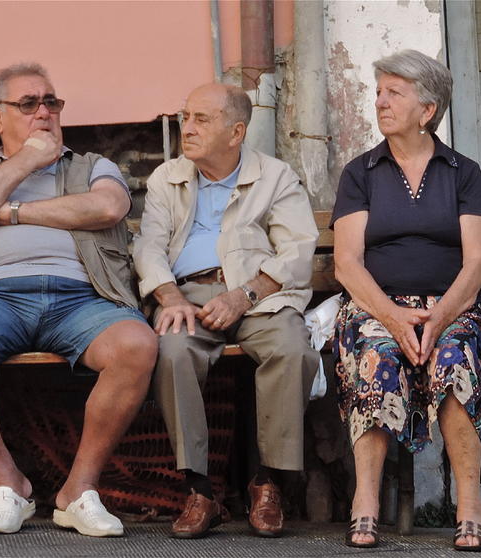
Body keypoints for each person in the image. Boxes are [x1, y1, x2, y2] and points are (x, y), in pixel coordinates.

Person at [0, 63, 157, 538]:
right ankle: (10, 483)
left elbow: (106, 207)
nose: (44, 112)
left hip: (83, 297)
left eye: (52, 102)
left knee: (137, 345)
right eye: (28, 104)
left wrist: (10, 213)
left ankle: (78, 491)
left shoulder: (92, 166)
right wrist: (27, 160)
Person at [133, 82, 319, 539]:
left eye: (201, 119)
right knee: (172, 352)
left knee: (293, 350)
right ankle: (199, 491)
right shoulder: (166, 178)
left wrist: (245, 296)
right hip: (189, 297)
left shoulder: (275, 177)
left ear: (236, 132)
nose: (187, 128)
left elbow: (297, 251)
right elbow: (148, 247)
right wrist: (169, 297)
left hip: (259, 297)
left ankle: (267, 482)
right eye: (185, 117)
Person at [331, 50, 481, 551]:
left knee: (454, 356)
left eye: (393, 93)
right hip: (375, 307)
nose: (379, 101)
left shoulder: (462, 173)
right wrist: (395, 316)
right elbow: (347, 264)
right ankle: (366, 501)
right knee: (378, 353)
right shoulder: (361, 173)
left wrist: (439, 316)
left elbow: (478, 264)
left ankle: (468, 505)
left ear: (427, 110)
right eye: (378, 91)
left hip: (454, 307)